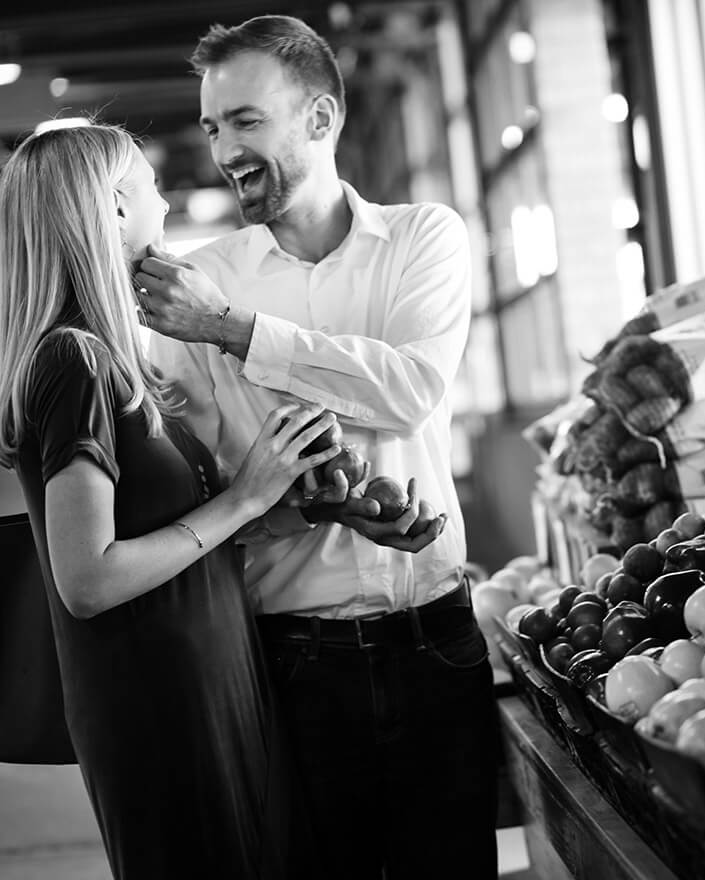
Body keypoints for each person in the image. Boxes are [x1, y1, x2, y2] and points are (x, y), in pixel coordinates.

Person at [139, 15, 498, 879]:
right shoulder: (198, 283)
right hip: (293, 657)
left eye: (246, 120)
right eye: (214, 125)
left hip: (436, 636)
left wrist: (233, 331)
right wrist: (297, 507)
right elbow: (209, 490)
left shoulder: (424, 239)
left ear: (322, 120)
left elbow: (410, 388)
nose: (224, 148)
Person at [0, 123, 339, 879]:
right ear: (116, 208)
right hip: (157, 700)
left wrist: (290, 504)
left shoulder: (110, 359)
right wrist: (244, 499)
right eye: (150, 185)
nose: (163, 198)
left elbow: (170, 535)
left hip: (205, 675)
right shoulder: (73, 361)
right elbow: (86, 580)